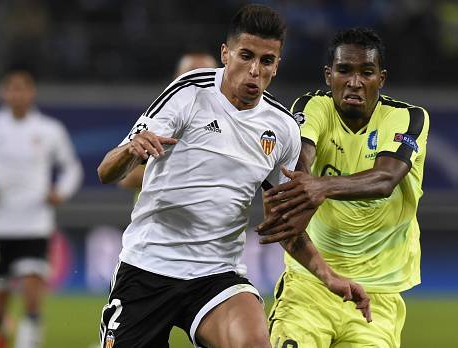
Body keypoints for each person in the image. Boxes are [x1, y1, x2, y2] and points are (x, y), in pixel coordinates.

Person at [97, 5, 370, 348]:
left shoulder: (283, 129)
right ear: (226, 54)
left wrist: (329, 277)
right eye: (246, 56)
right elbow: (107, 172)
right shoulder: (189, 92)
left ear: (277, 65)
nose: (255, 70)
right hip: (147, 269)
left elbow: (286, 227)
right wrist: (130, 151)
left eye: (267, 61)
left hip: (216, 276)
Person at [258, 27, 430, 348]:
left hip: (377, 296)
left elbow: (386, 178)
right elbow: (300, 163)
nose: (354, 82)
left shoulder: (408, 118)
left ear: (381, 78)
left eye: (367, 72)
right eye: (344, 70)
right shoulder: (313, 107)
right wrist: (296, 194)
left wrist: (320, 187)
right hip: (310, 286)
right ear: (328, 75)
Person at [0, 70, 83, 348]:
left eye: (23, 89)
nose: (18, 95)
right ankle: (2, 328)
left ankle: (27, 342)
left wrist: (61, 192)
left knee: (32, 294)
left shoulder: (49, 129)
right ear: (4, 93)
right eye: (12, 89)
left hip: (34, 224)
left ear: (32, 93)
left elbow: (72, 168)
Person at [117, 50, 218, 195]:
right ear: (176, 78)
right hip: (157, 216)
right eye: (191, 74)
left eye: (206, 75)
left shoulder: (230, 121)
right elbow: (126, 178)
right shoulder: (159, 118)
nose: (199, 81)